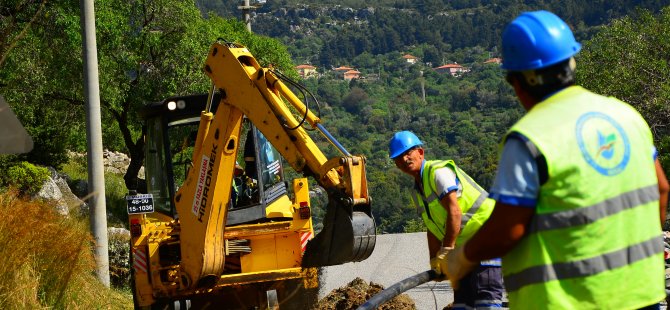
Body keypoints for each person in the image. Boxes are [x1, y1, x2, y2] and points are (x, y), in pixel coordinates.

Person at [440, 10, 670, 309]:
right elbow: (661, 190)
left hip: (570, 302)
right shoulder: (626, 116)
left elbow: (508, 230)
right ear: (571, 62)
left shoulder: (528, 138)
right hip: (642, 295)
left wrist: (461, 258)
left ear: (518, 83)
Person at [388, 130, 505, 309]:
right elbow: (432, 228)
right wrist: (436, 261)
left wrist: (447, 249)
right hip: (463, 250)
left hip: (485, 238)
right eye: (399, 157)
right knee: (462, 304)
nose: (404, 159)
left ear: (420, 152)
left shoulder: (438, 172)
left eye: (408, 153)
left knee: (485, 301)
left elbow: (454, 211)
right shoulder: (417, 190)